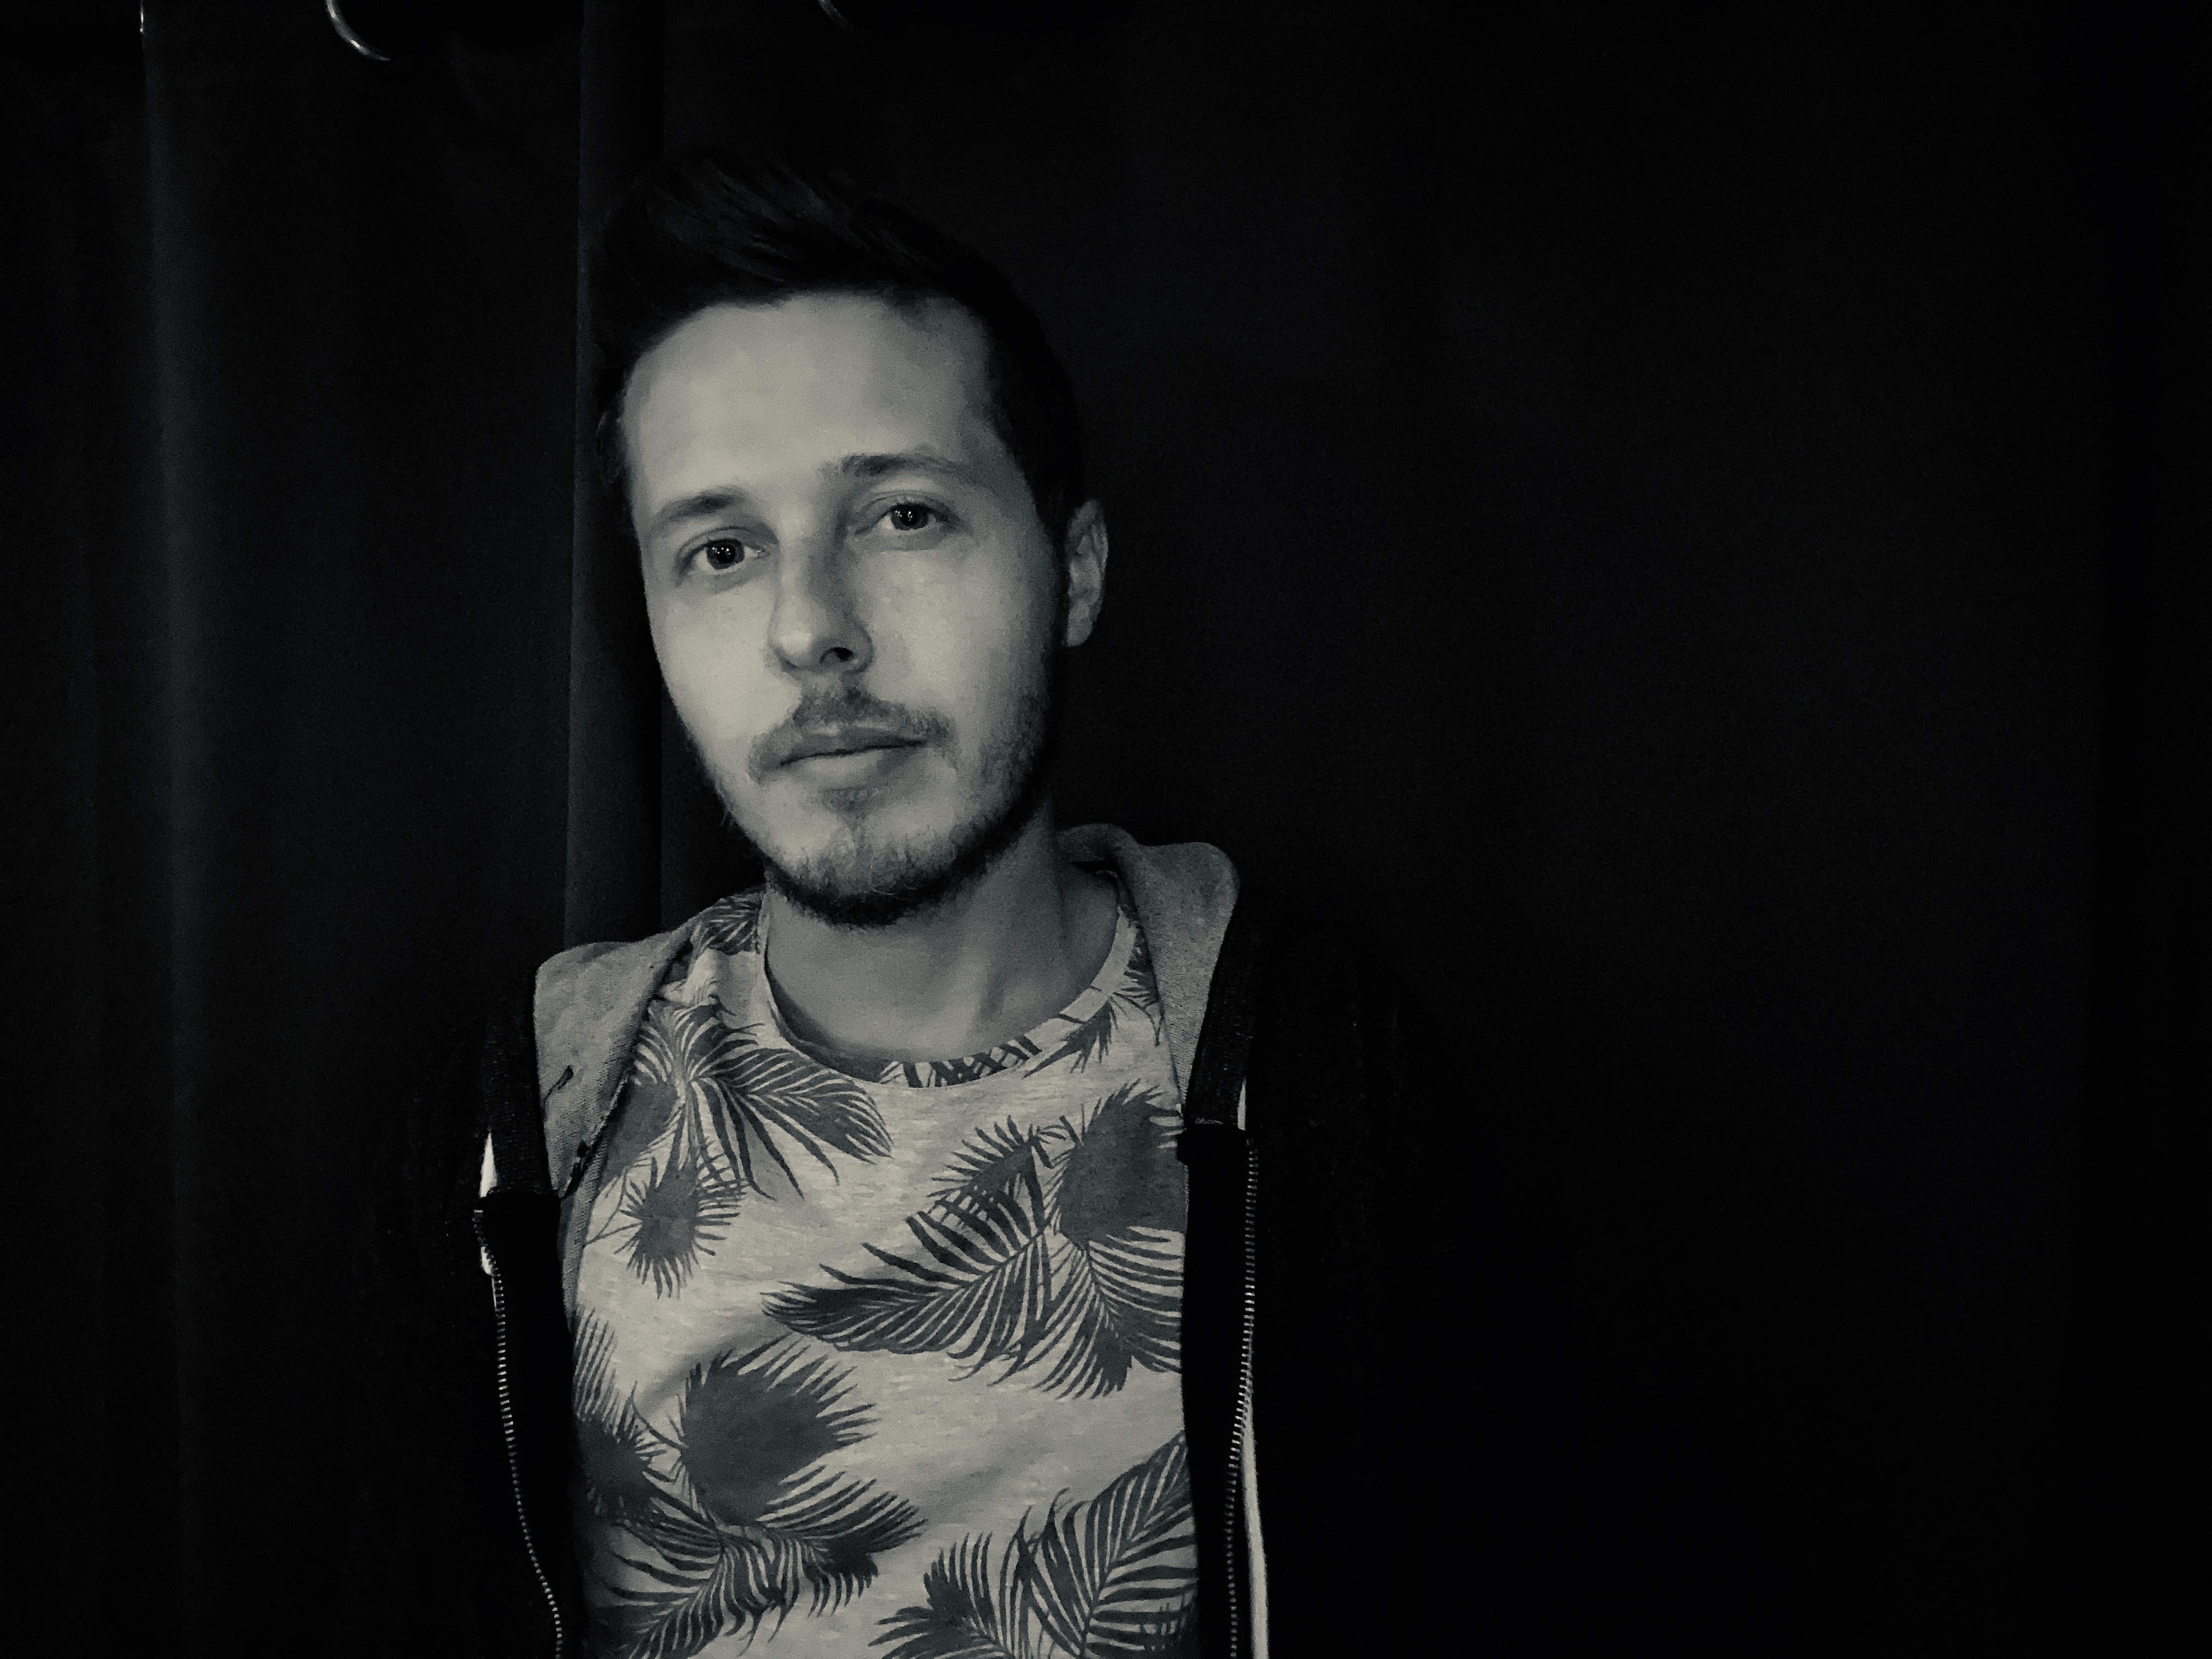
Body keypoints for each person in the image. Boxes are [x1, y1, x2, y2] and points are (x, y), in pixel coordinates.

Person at [335, 151, 1457, 1659]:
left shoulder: (1335, 1084)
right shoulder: (509, 1131)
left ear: (1074, 573)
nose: (812, 629)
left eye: (904, 516)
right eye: (721, 551)